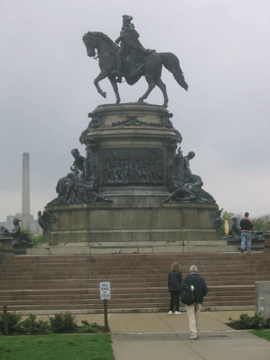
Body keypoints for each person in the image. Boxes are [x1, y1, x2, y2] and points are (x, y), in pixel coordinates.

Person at [180, 265, 208, 340]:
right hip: (198, 301)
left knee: (191, 316)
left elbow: (181, 288)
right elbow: (205, 289)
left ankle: (193, 333)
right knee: (197, 316)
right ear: (196, 271)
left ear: (190, 270)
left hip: (189, 301)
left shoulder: (187, 278)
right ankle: (197, 330)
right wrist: (200, 296)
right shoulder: (200, 279)